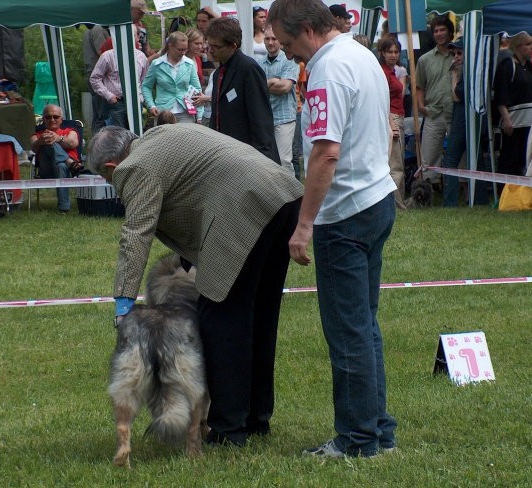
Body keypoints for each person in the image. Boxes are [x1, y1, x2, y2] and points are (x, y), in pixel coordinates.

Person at [86, 123, 304, 447]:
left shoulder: (135, 167)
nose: (116, 187)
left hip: (245, 205)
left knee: (220, 316)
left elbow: (136, 236)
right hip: (284, 195)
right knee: (260, 315)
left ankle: (228, 430)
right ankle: (257, 419)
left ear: (110, 167)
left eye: (109, 181)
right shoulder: (158, 137)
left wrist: (123, 303)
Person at [268, 0, 397, 458]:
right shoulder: (361, 55)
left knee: (348, 331)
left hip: (345, 215)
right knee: (365, 325)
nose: (290, 54)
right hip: (377, 197)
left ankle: (358, 439)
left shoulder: (327, 70)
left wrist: (304, 225)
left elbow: (326, 152)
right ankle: (378, 430)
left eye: (289, 44)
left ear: (307, 28)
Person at [206, 17, 280, 163]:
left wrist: (261, 158)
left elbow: (261, 117)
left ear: (233, 46)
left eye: (216, 47)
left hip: (249, 156)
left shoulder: (248, 69)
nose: (211, 51)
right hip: (225, 154)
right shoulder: (218, 74)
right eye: (209, 45)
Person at [493, 33, 532, 178]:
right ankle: (507, 191)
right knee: (510, 157)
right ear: (518, 46)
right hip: (514, 121)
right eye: (528, 44)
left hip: (530, 120)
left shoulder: (529, 66)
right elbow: (501, 94)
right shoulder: (507, 66)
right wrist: (506, 119)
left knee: (525, 157)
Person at [415, 15, 455, 183]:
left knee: (460, 155)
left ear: (450, 32)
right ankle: (425, 194)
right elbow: (419, 87)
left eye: (442, 30)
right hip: (433, 113)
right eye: (436, 31)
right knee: (428, 157)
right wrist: (422, 107)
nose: (439, 34)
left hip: (455, 113)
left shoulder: (459, 55)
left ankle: (466, 193)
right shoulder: (424, 60)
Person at [259, 25, 300, 175]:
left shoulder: (289, 60)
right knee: (268, 161)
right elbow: (254, 87)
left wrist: (263, 84)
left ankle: (292, 196)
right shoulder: (259, 63)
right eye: (267, 39)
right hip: (266, 117)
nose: (270, 42)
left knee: (284, 160)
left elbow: (285, 87)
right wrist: (272, 81)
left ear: (280, 41)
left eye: (274, 39)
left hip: (284, 117)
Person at [90, 27, 149, 129]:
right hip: (116, 103)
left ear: (137, 37)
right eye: (123, 36)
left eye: (131, 36)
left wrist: (141, 98)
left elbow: (144, 80)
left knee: (136, 135)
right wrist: (108, 95)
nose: (127, 39)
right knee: (116, 136)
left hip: (136, 103)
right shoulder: (107, 56)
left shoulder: (141, 57)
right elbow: (95, 78)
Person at [29, 104, 82, 213]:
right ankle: (70, 162)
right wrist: (41, 141)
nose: (52, 119)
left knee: (61, 165)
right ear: (43, 119)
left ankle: (64, 209)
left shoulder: (70, 131)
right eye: (48, 117)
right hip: (47, 169)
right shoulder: (37, 135)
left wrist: (58, 138)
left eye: (56, 117)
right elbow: (33, 147)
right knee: (48, 141)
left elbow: (73, 143)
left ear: (61, 119)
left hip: (66, 171)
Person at [142, 31, 203, 125]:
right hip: (163, 112)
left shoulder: (189, 64)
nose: (183, 53)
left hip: (185, 112)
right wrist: (151, 106)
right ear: (170, 46)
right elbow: (146, 86)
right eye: (180, 49)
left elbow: (197, 90)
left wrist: (199, 114)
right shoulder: (157, 64)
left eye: (185, 49)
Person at [378, 36, 407, 208]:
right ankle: (397, 205)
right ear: (382, 52)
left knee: (397, 163)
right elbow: (382, 100)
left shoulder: (393, 71)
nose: (394, 55)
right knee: (395, 166)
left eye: (396, 52)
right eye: (390, 52)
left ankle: (398, 202)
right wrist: (392, 123)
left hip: (397, 116)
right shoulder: (382, 71)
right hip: (391, 117)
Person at [82, 24, 109, 134]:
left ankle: (96, 139)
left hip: (94, 74)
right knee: (101, 114)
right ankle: (98, 140)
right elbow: (102, 52)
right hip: (98, 76)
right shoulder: (98, 29)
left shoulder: (90, 31)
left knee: (98, 111)